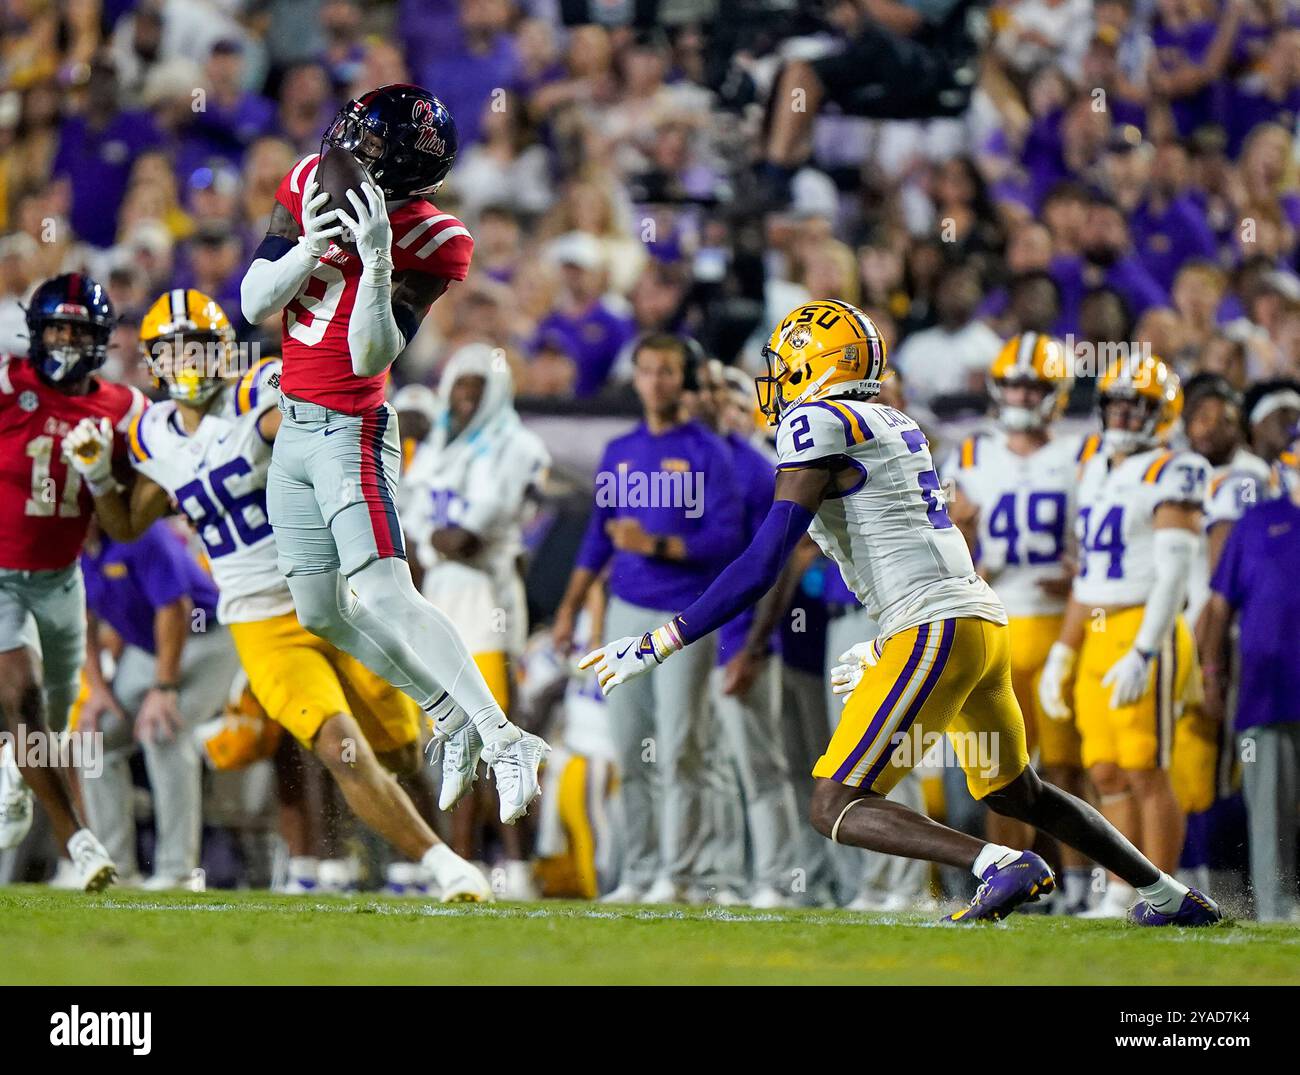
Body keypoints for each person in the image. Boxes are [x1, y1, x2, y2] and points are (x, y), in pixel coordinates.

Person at [580, 300, 1218, 926]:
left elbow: (765, 558)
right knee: (1015, 791)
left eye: (786, 362)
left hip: (933, 624)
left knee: (833, 802)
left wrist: (661, 640)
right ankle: (1165, 892)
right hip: (974, 620)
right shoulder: (890, 420)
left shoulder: (817, 423)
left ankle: (999, 861)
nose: (776, 377)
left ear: (819, 365)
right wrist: (889, 640)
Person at [64, 288, 490, 901]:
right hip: (260, 624)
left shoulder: (259, 394)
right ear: (153, 360)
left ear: (223, 353)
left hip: (336, 597)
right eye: (172, 350)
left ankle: (423, 842)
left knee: (399, 752)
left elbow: (305, 424)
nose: (186, 362)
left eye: (198, 348)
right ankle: (444, 866)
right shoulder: (154, 434)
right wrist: (101, 476)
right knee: (342, 750)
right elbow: (129, 523)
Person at [238, 83, 547, 824]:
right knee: (319, 609)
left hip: (352, 429)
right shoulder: (312, 181)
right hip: (296, 424)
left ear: (405, 172)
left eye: (374, 147)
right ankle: (449, 712)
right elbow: (254, 302)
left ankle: (506, 738)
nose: (353, 149)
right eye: (356, 132)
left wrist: (375, 263)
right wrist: (312, 248)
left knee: (381, 591)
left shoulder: (439, 237)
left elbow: (370, 351)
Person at [552, 334, 744, 904]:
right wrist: (568, 608)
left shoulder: (710, 451)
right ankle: (638, 871)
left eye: (667, 372)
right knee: (631, 745)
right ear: (634, 378)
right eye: (647, 371)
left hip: (685, 617)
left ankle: (678, 873)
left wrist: (656, 546)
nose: (656, 382)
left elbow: (729, 538)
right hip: (625, 613)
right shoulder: (619, 450)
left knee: (681, 747)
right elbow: (597, 539)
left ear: (682, 381)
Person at [1039, 352, 1208, 917]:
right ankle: (1118, 888)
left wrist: (1144, 649)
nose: (1124, 418)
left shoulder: (1173, 468)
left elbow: (1174, 574)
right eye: (1116, 406)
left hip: (1144, 623)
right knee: (1105, 769)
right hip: (1096, 625)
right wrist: (1065, 648)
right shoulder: (1093, 462)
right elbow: (1090, 570)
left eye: (1138, 409)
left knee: (1144, 767)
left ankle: (1165, 895)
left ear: (1162, 414)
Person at [0, 273, 146, 891]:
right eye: (54, 328)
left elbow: (128, 526)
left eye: (76, 331)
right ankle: (79, 844)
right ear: (34, 332)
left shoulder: (123, 407)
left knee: (48, 724)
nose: (63, 340)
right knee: (19, 696)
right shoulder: (9, 385)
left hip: (62, 581)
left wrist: (103, 479)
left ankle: (12, 777)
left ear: (99, 340)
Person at [942, 333, 1091, 912]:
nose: (1023, 396)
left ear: (1054, 393)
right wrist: (970, 538)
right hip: (998, 624)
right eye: (1015, 384)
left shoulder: (1082, 454)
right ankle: (1015, 885)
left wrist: (1080, 576)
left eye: (1034, 385)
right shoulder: (971, 455)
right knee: (1003, 777)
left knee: (1068, 767)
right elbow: (950, 542)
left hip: (1059, 626)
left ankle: (1083, 886)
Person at [400, 342, 550, 897]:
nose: (465, 398)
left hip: (488, 600)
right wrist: (440, 542)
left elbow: (469, 534)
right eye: (458, 387)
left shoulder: (516, 443)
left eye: (476, 388)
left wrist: (441, 541)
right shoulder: (439, 444)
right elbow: (418, 533)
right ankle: (466, 863)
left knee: (499, 739)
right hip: (439, 599)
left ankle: (518, 868)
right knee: (455, 738)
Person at [77, 517, 240, 888]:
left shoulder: (141, 533)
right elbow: (79, 616)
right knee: (94, 739)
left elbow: (176, 609)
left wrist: (164, 688)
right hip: (148, 647)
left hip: (208, 638)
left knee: (161, 730)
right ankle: (113, 868)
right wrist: (97, 688)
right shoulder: (69, 547)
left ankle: (177, 871)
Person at [1198, 430, 1300, 921]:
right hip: (1268, 688)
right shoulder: (1257, 521)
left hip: (1273, 684)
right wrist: (1212, 670)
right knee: (1270, 812)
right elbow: (1219, 605)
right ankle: (1277, 910)